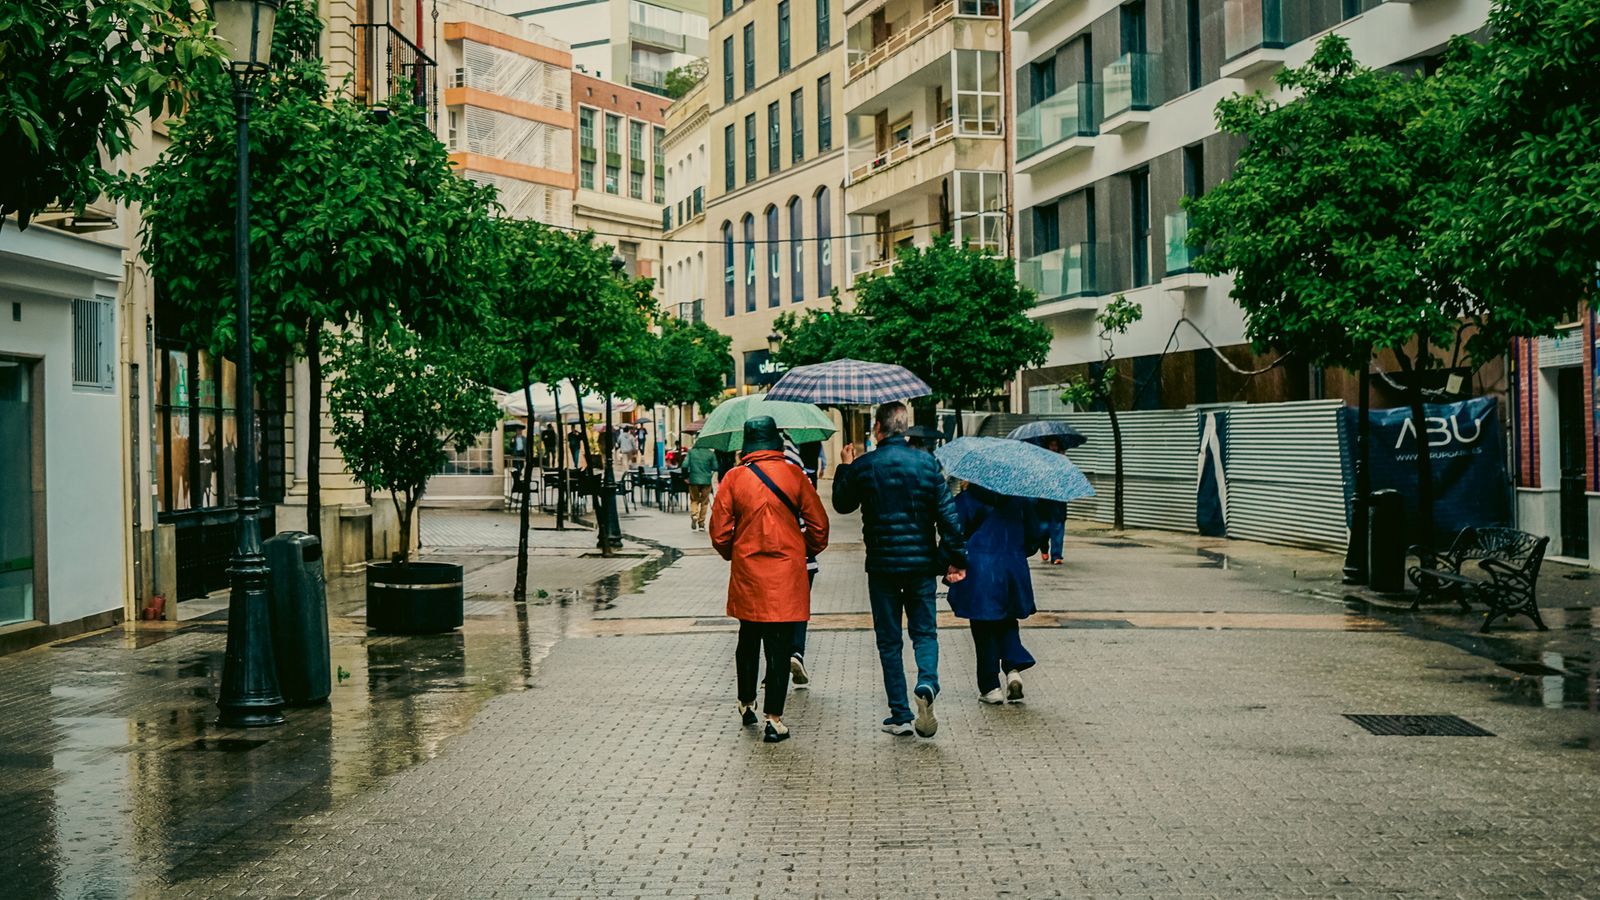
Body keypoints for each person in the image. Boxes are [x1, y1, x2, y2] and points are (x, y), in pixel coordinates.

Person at [832, 401, 967, 738]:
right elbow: (949, 518)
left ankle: (900, 715)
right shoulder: (926, 464)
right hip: (921, 565)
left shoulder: (866, 466)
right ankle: (927, 682)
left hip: (882, 567)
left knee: (889, 641)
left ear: (878, 429)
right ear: (903, 429)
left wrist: (846, 466)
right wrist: (956, 558)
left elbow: (842, 504)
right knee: (925, 632)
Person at [710, 417, 830, 743]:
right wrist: (802, 549)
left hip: (749, 574)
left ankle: (746, 702)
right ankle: (774, 720)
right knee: (779, 645)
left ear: (747, 443)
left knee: (748, 639)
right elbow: (819, 525)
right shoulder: (795, 475)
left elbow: (719, 533)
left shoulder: (734, 479)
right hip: (786, 575)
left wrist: (735, 552)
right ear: (776, 441)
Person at [947, 484, 1043, 704]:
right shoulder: (1021, 498)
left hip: (979, 568)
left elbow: (953, 532)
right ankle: (1013, 670)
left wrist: (953, 560)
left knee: (983, 626)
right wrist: (1016, 550)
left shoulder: (967, 499)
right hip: (1012, 566)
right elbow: (1034, 536)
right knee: (1007, 619)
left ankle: (991, 688)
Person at [1037, 437, 1067, 565]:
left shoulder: (1063, 461)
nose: (1053, 448)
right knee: (1043, 529)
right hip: (1043, 501)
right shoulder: (1040, 461)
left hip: (1058, 500)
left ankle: (1056, 555)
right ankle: (1044, 547)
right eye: (1051, 445)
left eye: (1056, 445)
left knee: (1058, 527)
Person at [684, 439, 718, 530]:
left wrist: (685, 477)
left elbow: (684, 465)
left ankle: (694, 515)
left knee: (694, 499)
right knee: (704, 502)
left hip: (694, 480)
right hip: (706, 480)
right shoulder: (710, 453)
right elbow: (715, 467)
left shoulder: (691, 452)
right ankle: (701, 523)